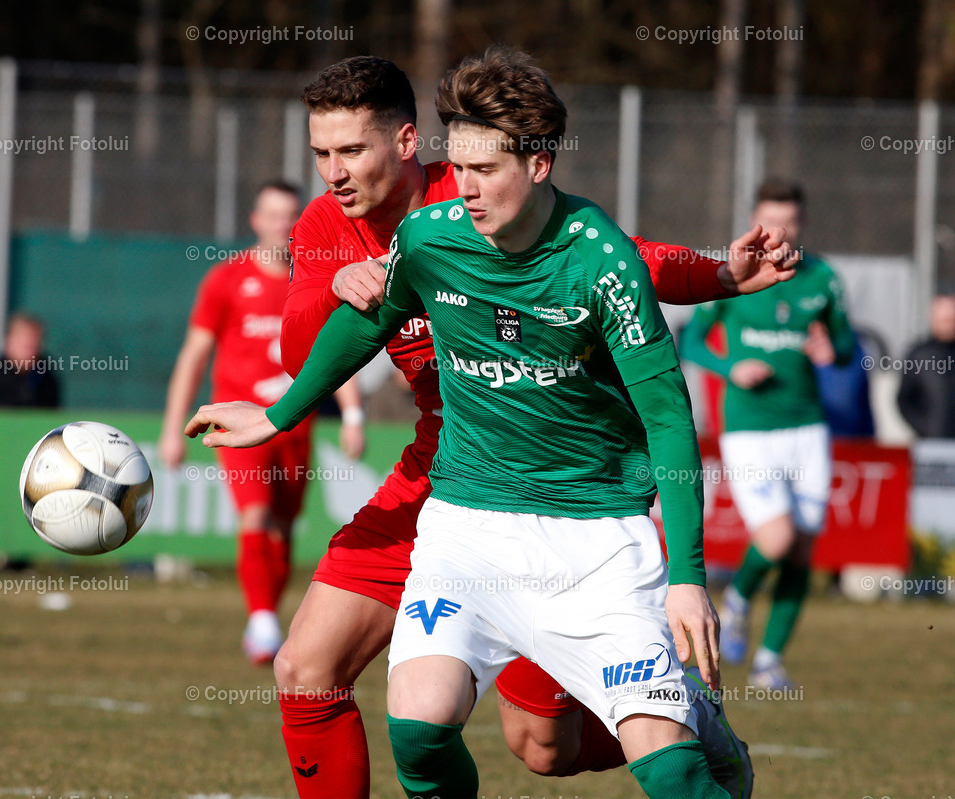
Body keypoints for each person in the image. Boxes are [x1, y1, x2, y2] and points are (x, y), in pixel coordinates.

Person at [186, 48, 800, 799]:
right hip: (446, 478)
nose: (333, 172)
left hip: (572, 494)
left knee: (542, 745)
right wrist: (339, 296)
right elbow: (300, 344)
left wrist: (718, 274)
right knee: (308, 669)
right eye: (320, 153)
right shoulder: (329, 224)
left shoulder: (475, 189)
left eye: (350, 150)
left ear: (407, 143)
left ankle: (684, 721)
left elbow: (619, 261)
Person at [158, 180, 365, 664]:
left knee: (285, 527)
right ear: (255, 221)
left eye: (291, 216)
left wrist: (353, 414)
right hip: (240, 427)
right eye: (272, 215)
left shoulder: (312, 281)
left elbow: (336, 351)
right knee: (256, 515)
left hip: (292, 423)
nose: (282, 226)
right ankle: (262, 621)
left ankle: (266, 618)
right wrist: (172, 428)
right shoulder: (226, 280)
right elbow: (194, 357)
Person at [681, 177, 855, 689]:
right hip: (750, 428)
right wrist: (731, 365)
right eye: (773, 219)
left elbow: (844, 344)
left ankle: (768, 661)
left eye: (791, 220)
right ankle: (736, 599)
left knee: (802, 547)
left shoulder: (822, 276)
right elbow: (691, 340)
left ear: (802, 223)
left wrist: (833, 352)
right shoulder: (738, 271)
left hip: (807, 426)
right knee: (776, 538)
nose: (782, 229)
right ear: (757, 218)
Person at [0, 312, 60, 407]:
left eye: (34, 341)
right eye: (23, 340)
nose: (30, 344)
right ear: (9, 341)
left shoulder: (46, 376)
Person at [897, 294, 955, 438]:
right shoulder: (919, 355)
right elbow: (904, 400)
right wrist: (925, 428)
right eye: (944, 320)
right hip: (930, 442)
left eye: (951, 319)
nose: (948, 324)